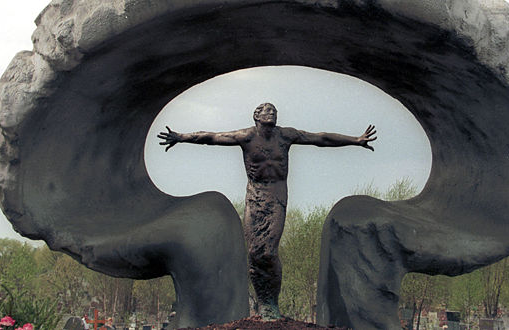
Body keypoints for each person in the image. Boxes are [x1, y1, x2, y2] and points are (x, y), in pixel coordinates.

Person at [158, 103, 376, 319]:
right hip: (254, 197)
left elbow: (320, 138)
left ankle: (272, 303)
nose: (272, 113)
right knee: (254, 253)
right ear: (256, 116)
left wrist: (356, 140)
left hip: (277, 196)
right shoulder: (246, 136)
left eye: (274, 110)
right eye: (267, 110)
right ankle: (263, 304)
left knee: (269, 252)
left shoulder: (286, 136)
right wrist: (180, 137)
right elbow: (212, 137)